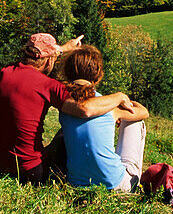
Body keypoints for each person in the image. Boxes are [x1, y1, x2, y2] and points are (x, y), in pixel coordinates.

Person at [0, 33, 134, 183]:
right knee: (64, 135)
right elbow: (85, 109)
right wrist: (119, 97)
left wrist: (64, 48)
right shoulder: (46, 85)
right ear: (49, 61)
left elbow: (43, 55)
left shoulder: (5, 73)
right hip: (29, 172)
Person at [59, 44, 149, 192]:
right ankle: (134, 179)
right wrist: (123, 101)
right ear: (98, 75)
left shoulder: (64, 105)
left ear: (67, 72)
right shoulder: (111, 106)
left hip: (76, 183)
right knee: (136, 122)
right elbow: (143, 112)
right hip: (115, 185)